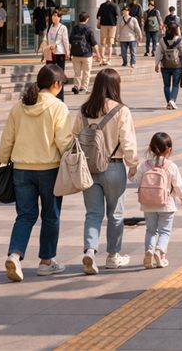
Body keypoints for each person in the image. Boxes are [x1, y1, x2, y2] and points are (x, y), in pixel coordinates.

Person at [0, 64, 71, 282]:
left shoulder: (19, 106)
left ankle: (14, 255)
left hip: (21, 169)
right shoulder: (58, 107)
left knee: (25, 215)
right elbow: (63, 141)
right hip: (49, 169)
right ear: (56, 84)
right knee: (50, 215)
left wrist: (3, 158)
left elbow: (8, 137)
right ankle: (46, 262)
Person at [75, 69, 139, 276]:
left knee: (93, 213)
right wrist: (133, 165)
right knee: (116, 214)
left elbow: (73, 138)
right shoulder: (121, 110)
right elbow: (128, 142)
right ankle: (113, 256)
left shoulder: (84, 110)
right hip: (114, 166)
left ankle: (90, 252)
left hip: (88, 168)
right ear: (115, 86)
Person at [136, 131, 182, 269]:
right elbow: (178, 185)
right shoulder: (171, 166)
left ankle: (149, 251)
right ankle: (160, 252)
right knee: (164, 231)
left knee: (151, 230)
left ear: (150, 148)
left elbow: (136, 179)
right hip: (166, 204)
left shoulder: (145, 165)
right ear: (169, 149)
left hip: (148, 204)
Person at [154, 22, 182, 110]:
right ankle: (172, 100)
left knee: (166, 85)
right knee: (175, 85)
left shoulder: (162, 40)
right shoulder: (180, 41)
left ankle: (169, 102)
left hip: (164, 65)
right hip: (177, 66)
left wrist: (156, 64)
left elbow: (158, 53)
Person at [42, 10, 70, 100]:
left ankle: (60, 98)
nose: (54, 17)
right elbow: (47, 40)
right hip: (50, 53)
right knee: (50, 75)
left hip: (59, 53)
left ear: (60, 18)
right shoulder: (50, 27)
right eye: (53, 15)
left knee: (59, 75)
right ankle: (52, 96)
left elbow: (65, 41)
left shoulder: (63, 27)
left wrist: (67, 52)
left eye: (56, 16)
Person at [69, 13, 99, 95]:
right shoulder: (89, 29)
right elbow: (94, 43)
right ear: (87, 19)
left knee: (77, 72)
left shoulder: (74, 28)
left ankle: (76, 86)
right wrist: (98, 55)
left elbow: (70, 41)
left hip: (75, 54)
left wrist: (69, 53)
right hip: (87, 55)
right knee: (86, 72)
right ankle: (84, 88)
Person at [97, 0, 119, 65]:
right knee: (110, 44)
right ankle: (109, 59)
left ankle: (103, 58)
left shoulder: (102, 5)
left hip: (103, 25)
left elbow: (98, 16)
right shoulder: (114, 5)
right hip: (112, 26)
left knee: (103, 43)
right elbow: (117, 15)